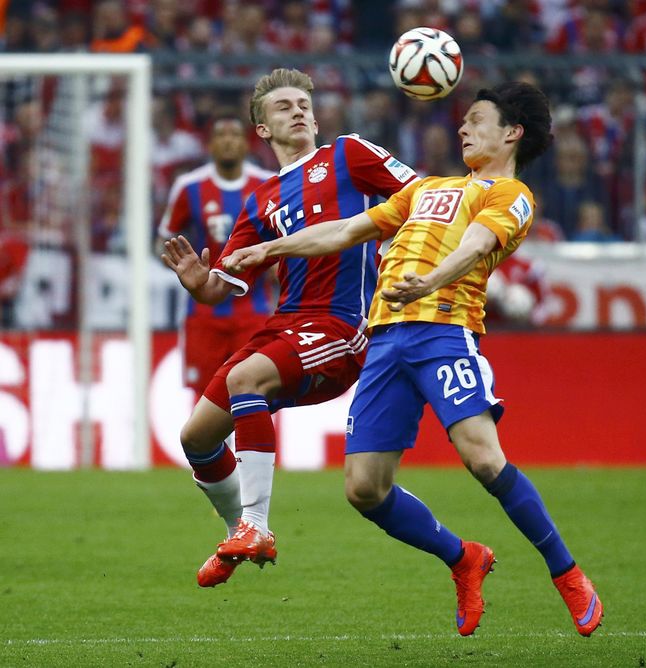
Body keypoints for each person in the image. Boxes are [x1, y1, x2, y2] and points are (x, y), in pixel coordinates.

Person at [222, 81, 604, 638]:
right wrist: (270, 248)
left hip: (444, 333)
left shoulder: (510, 196)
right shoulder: (429, 190)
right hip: (384, 340)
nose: (463, 128)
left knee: (483, 458)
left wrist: (429, 280)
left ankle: (567, 574)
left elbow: (474, 247)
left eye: (476, 119)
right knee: (363, 489)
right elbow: (347, 230)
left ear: (511, 133)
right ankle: (464, 558)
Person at [160, 68, 417, 588]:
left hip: (342, 326)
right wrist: (197, 282)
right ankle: (241, 531)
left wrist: (404, 248)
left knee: (244, 380)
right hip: (286, 324)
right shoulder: (261, 199)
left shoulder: (349, 154)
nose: (298, 111)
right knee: (197, 438)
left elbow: (429, 198)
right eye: (283, 107)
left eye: (304, 103)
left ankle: (255, 524)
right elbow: (220, 286)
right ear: (263, 130)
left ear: (316, 117)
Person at [157, 109, 276, 401]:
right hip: (203, 313)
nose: (227, 141)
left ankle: (250, 449)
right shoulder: (189, 187)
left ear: (246, 144)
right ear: (209, 145)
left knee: (255, 393)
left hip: (254, 310)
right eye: (220, 135)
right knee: (204, 397)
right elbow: (165, 238)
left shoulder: (268, 184)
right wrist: (186, 264)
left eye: (234, 135)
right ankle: (209, 449)